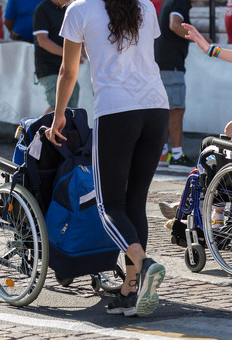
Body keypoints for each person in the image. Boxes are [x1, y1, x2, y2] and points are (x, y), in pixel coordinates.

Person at [45, 0, 168, 317]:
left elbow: (68, 70)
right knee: (135, 201)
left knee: (108, 205)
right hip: (156, 107)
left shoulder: (79, 10)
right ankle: (130, 290)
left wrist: (59, 115)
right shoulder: (144, 5)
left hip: (116, 110)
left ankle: (145, 264)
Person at [155, 0, 211, 171]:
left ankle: (163, 153)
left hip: (163, 63)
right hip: (171, 65)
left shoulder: (170, 2)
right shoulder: (180, 1)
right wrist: (198, 38)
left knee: (166, 109)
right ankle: (177, 156)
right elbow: (174, 24)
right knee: (176, 110)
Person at [33, 0, 80, 114]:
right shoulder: (42, 9)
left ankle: (55, 130)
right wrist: (70, 54)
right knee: (57, 107)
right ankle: (41, 130)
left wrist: (80, 49)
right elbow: (42, 41)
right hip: (48, 68)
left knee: (69, 108)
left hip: (65, 68)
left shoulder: (68, 9)